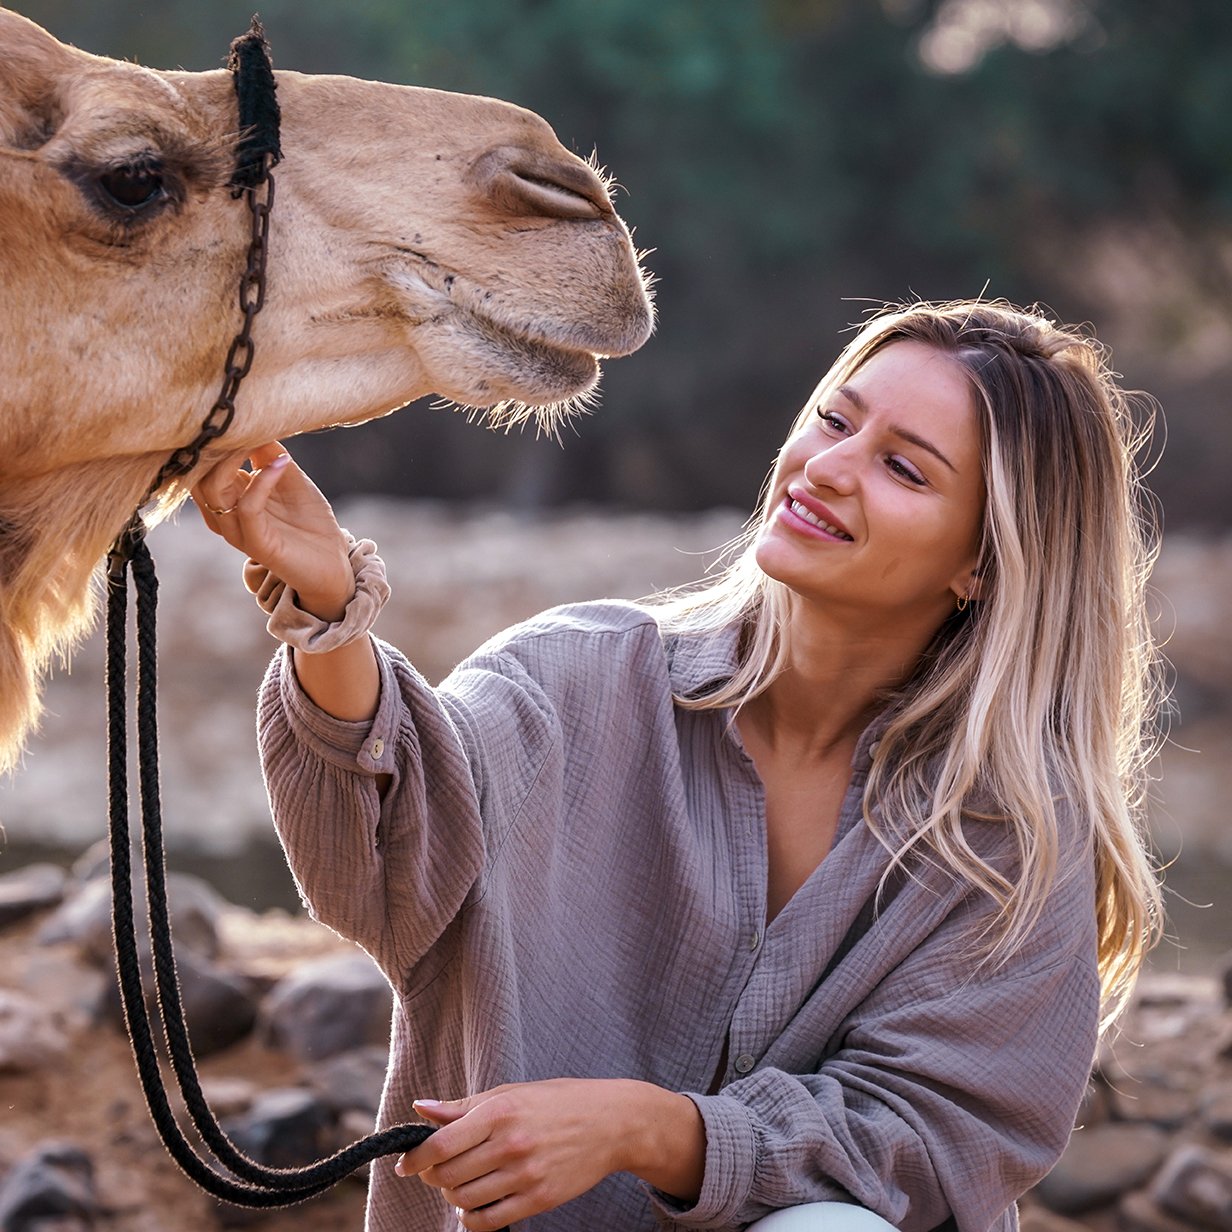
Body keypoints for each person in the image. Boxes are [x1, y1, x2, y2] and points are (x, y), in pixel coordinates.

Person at [192, 299, 1164, 1232]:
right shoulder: (575, 677)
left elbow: (922, 1145)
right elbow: (381, 855)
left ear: (982, 563)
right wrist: (329, 610)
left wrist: (648, 1129)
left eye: (902, 468)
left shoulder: (1010, 842)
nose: (827, 467)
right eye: (833, 419)